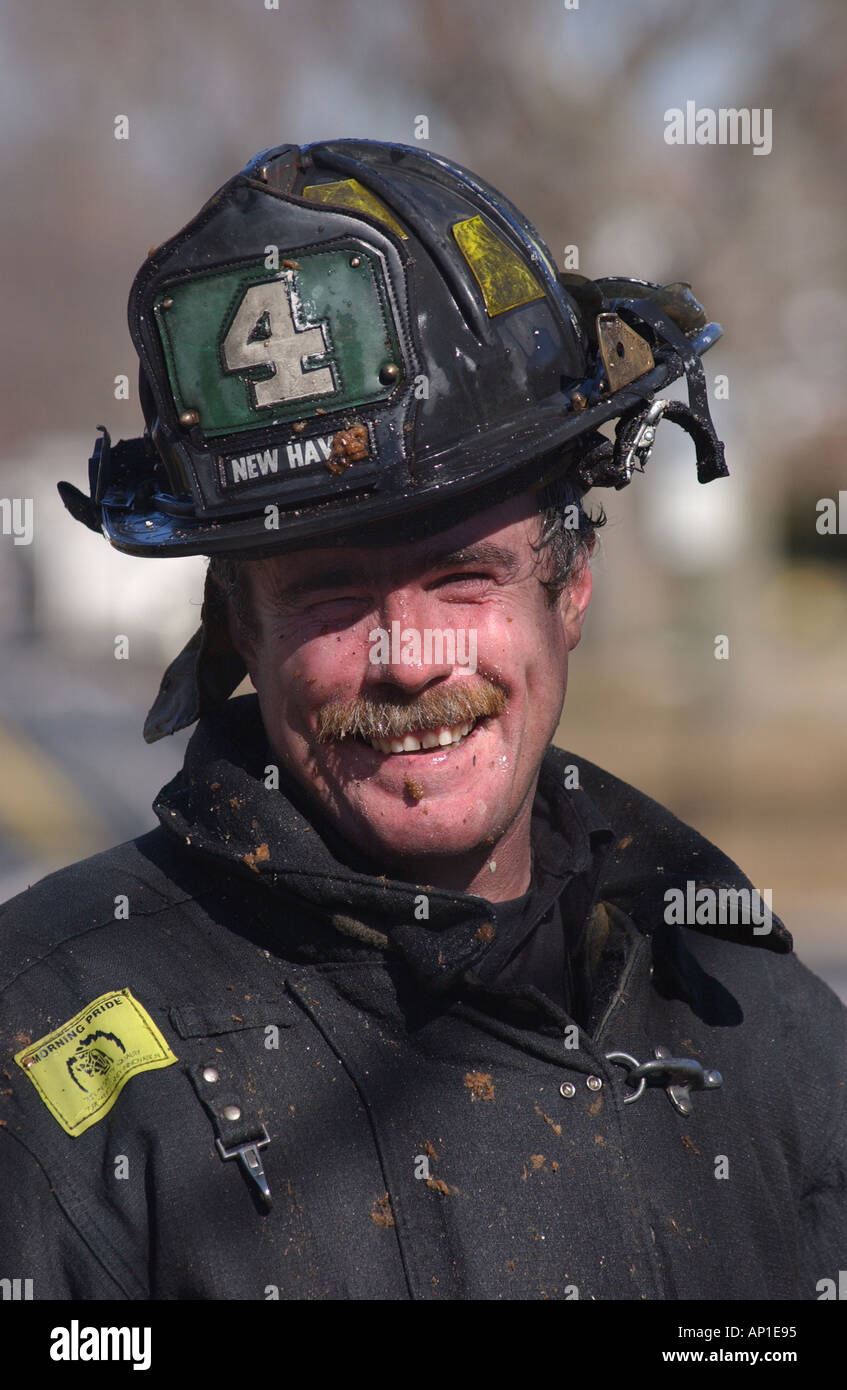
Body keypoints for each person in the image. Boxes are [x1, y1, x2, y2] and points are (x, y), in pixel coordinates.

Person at [1, 140, 844, 1302]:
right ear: (239, 631)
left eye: (463, 576)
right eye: (329, 595)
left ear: (570, 587)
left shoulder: (752, 1025)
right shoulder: (46, 1055)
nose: (406, 660)